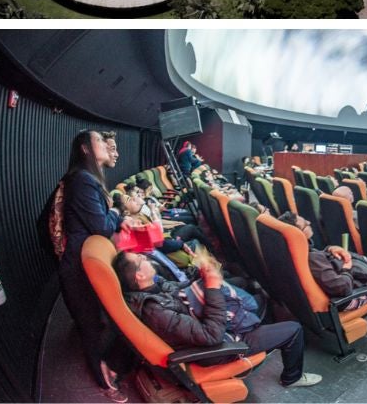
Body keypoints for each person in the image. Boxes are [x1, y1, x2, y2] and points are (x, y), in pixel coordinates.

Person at [114, 249, 322, 388]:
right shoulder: (154, 311)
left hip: (210, 328)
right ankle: (291, 378)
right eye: (140, 260)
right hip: (217, 347)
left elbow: (182, 289)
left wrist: (201, 272)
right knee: (294, 329)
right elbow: (211, 335)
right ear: (139, 276)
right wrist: (212, 288)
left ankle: (262, 335)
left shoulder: (154, 289)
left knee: (259, 300)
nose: (146, 258)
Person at [51, 130, 128, 402]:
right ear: (84, 148)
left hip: (83, 262)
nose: (106, 145)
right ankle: (104, 381)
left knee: (94, 322)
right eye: (99, 140)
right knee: (92, 327)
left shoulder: (85, 178)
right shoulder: (83, 180)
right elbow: (102, 226)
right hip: (79, 266)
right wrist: (117, 211)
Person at [278, 211, 367, 335]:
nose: (309, 222)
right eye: (305, 223)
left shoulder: (294, 254)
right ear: (299, 234)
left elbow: (320, 266)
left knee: (363, 260)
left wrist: (329, 250)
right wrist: (346, 268)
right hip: (345, 299)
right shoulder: (313, 259)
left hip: (333, 287)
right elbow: (341, 288)